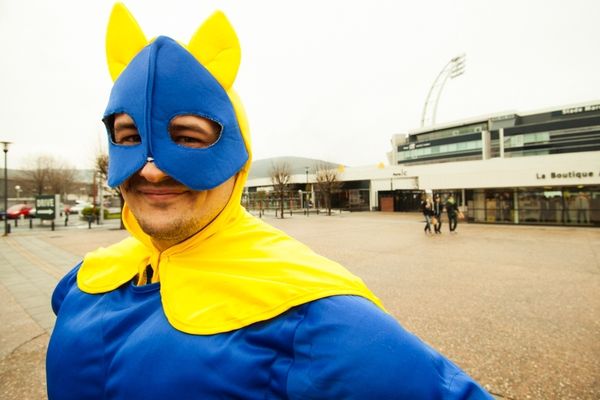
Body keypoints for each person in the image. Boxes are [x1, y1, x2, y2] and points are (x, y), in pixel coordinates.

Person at [46, 4, 493, 399]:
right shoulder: (84, 282)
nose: (152, 169)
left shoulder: (310, 313)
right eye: (129, 138)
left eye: (186, 138)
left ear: (238, 159)